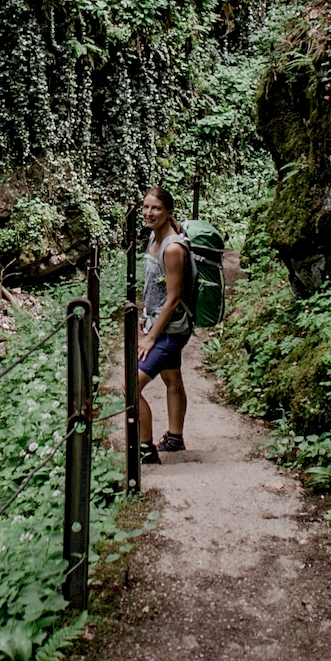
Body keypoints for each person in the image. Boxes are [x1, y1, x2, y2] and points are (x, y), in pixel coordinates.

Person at [135, 185, 193, 465]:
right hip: (158, 325)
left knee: (129, 386)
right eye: (146, 207)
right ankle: (174, 438)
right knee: (172, 380)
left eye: (156, 208)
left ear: (169, 212)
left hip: (170, 330)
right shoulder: (154, 238)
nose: (149, 213)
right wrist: (142, 321)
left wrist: (149, 338)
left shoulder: (171, 249)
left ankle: (146, 451)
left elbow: (173, 299)